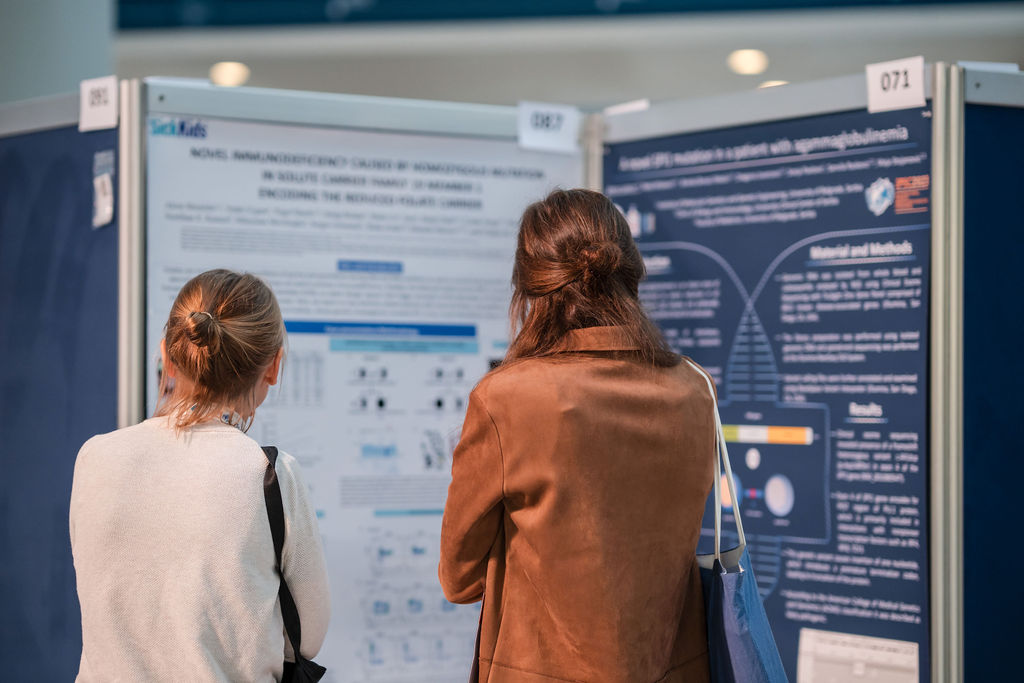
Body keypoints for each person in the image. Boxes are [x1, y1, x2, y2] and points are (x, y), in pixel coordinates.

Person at [439, 189, 715, 682]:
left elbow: (460, 579)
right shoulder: (695, 388)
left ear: (530, 286)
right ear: (630, 271)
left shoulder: (508, 398)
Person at [70, 269, 329, 682]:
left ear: (167, 356)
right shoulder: (269, 474)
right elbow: (308, 638)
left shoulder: (94, 457)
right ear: (274, 366)